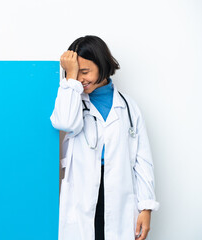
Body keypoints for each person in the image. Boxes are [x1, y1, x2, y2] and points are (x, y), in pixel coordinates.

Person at [50, 35, 160, 240]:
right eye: (74, 72)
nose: (80, 79)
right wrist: (70, 80)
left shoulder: (128, 107)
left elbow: (142, 161)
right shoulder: (71, 100)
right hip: (82, 196)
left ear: (102, 65)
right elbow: (64, 122)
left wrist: (146, 207)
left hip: (118, 196)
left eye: (85, 72)